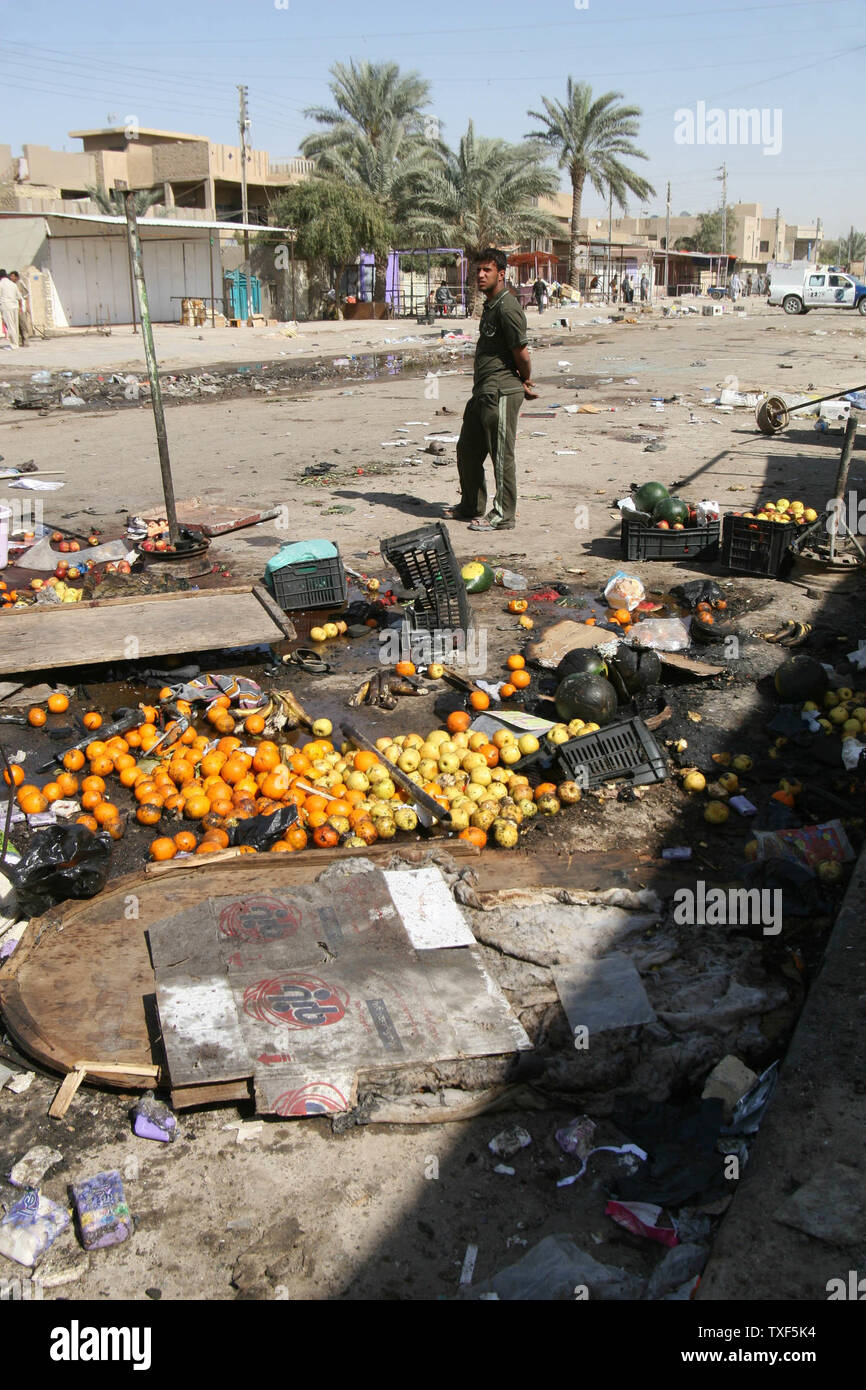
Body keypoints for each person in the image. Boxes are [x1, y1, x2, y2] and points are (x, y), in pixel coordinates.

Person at [445, 247, 536, 532]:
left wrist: (525, 377)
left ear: (501, 273)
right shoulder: (491, 304)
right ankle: (471, 504)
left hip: (501, 391)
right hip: (483, 391)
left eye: (487, 270)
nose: (481, 275)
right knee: (467, 450)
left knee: (500, 455)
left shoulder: (508, 308)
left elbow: (521, 351)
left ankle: (503, 514)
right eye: (478, 270)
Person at [0, 270, 20, 350]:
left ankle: (13, 345)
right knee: (15, 326)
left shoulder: (1, 284)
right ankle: (16, 343)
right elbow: (18, 296)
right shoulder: (13, 284)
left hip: (6, 306)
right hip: (15, 306)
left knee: (10, 326)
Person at [9, 272, 29, 344]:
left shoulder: (20, 283)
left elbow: (26, 295)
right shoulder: (10, 285)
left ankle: (26, 340)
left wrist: (27, 306)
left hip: (21, 307)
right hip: (14, 307)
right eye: (10, 276)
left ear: (16, 277)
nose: (11, 278)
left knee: (23, 324)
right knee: (16, 325)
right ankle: (19, 340)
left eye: (12, 276)